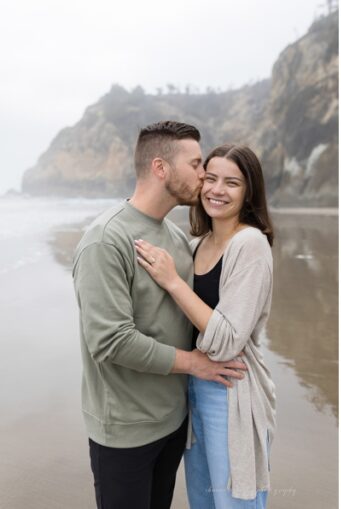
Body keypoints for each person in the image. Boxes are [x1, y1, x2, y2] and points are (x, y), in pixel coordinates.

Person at [73, 121, 247, 509]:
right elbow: (111, 340)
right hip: (124, 432)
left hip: (172, 424)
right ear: (160, 168)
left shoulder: (175, 239)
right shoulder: (105, 240)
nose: (204, 175)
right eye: (197, 164)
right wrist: (194, 365)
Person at [133, 144, 276, 508]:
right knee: (203, 500)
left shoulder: (251, 244)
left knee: (234, 501)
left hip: (231, 388)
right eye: (210, 178)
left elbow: (228, 339)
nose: (217, 190)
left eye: (232, 183)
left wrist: (173, 281)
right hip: (193, 387)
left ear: (248, 192)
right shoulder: (196, 244)